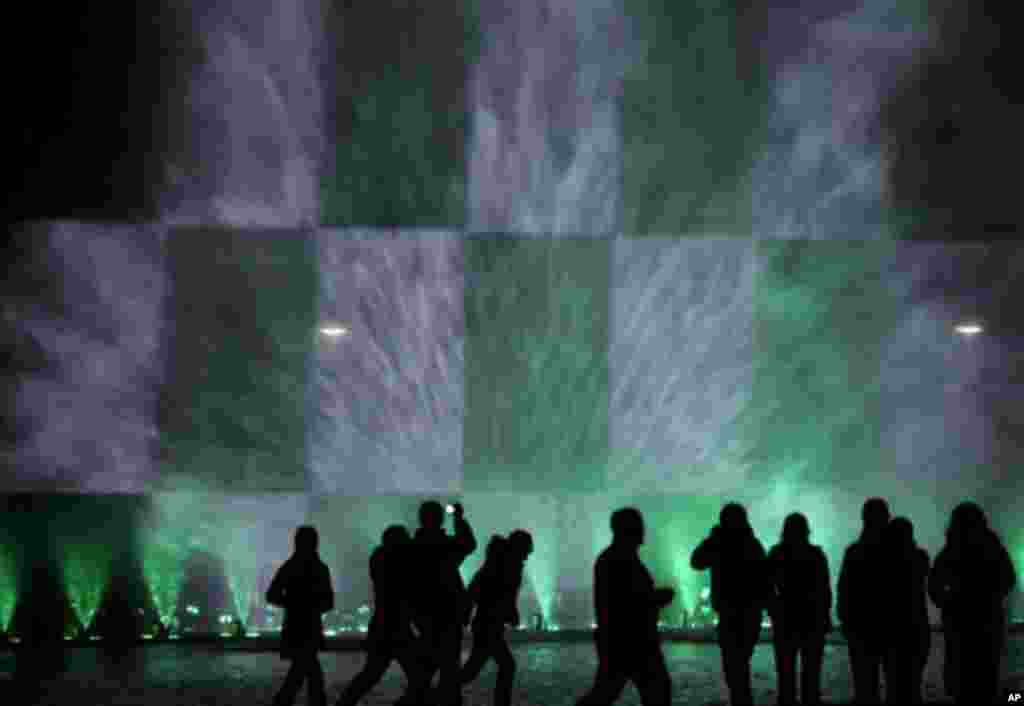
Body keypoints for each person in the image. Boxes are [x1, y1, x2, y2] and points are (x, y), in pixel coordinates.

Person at [576, 507, 674, 706]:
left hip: (621, 639)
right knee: (654, 692)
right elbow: (626, 602)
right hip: (631, 640)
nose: (642, 530)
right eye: (638, 525)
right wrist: (656, 598)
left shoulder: (613, 558)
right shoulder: (619, 560)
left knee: (606, 692)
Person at [928, 502, 1016, 705]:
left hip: (958, 623)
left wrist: (949, 602)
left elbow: (934, 586)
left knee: (961, 679)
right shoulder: (994, 549)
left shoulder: (950, 551)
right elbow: (1008, 579)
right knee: (986, 676)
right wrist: (991, 596)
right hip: (988, 620)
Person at [335, 525, 431, 706]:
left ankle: (345, 702)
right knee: (417, 676)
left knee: (371, 674)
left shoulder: (379, 558)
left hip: (383, 626)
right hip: (398, 628)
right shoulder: (397, 562)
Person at [691, 503, 769, 706]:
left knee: (734, 667)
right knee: (740, 665)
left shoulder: (718, 544)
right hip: (751, 614)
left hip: (729, 615)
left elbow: (696, 561)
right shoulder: (753, 544)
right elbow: (765, 579)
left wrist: (712, 539)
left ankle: (741, 701)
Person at [405, 500, 476, 706]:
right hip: (449, 615)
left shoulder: (412, 548)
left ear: (421, 518)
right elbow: (469, 543)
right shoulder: (446, 546)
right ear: (440, 519)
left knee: (426, 668)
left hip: (424, 615)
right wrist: (459, 518)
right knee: (449, 669)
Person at [459, 530, 533, 706]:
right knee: (505, 666)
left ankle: (439, 693)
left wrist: (510, 611)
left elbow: (479, 589)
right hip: (488, 625)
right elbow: (489, 591)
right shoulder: (503, 565)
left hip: (488, 624)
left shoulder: (500, 563)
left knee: (473, 670)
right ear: (520, 547)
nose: (528, 555)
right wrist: (510, 611)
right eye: (527, 549)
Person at [766, 513, 831, 706]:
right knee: (811, 676)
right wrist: (825, 616)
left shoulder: (776, 553)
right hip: (812, 620)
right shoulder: (816, 555)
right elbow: (824, 590)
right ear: (806, 530)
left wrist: (774, 610)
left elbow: (766, 587)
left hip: (785, 620)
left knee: (785, 676)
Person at [267, 525, 335, 706]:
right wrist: (312, 606)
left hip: (294, 626)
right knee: (308, 672)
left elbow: (272, 595)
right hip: (311, 627)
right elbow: (328, 602)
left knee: (302, 672)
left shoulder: (290, 567)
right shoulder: (321, 568)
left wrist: (292, 603)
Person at [837, 497, 890, 704]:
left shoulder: (854, 552)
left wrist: (845, 618)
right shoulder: (898, 552)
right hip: (890, 624)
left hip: (860, 626)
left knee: (864, 685)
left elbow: (844, 589)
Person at [880, 517, 930, 705]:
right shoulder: (920, 557)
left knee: (893, 685)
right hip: (917, 628)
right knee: (914, 684)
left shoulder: (883, 561)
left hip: (891, 630)